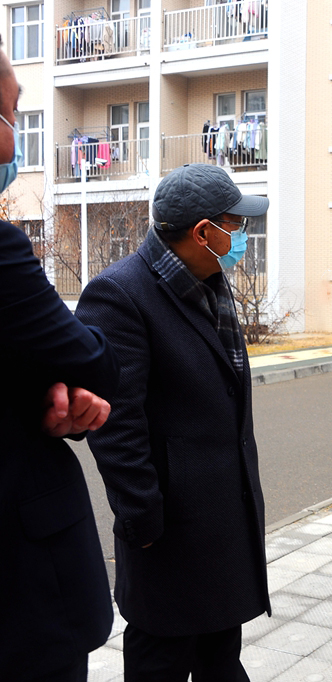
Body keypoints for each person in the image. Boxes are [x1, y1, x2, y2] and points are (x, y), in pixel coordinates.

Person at [76, 163, 272, 681]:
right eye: (235, 225)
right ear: (203, 232)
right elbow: (116, 423)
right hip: (168, 533)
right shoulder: (120, 294)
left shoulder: (208, 282)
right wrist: (142, 521)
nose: (241, 236)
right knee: (161, 662)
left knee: (220, 658)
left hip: (222, 522)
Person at [0, 40, 120, 680]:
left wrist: (38, 393)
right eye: (11, 117)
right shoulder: (3, 253)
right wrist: (61, 381)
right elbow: (95, 363)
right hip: (25, 600)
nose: (13, 142)